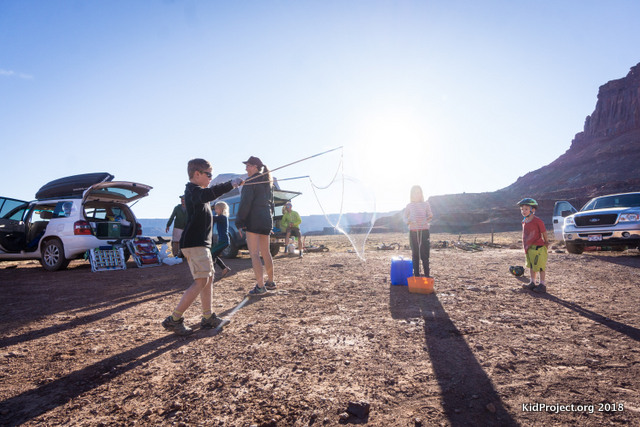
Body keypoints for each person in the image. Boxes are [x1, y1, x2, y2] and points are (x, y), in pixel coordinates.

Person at [161, 158, 240, 335]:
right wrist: (231, 184)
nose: (211, 178)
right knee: (201, 280)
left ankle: (208, 317)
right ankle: (174, 319)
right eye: (209, 174)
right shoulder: (193, 191)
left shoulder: (197, 192)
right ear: (197, 174)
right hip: (195, 243)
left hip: (200, 244)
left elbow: (208, 195)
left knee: (208, 278)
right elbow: (209, 194)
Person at [236, 155, 276, 295]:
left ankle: (260, 287)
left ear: (255, 167)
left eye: (248, 166)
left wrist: (239, 222)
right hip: (266, 219)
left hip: (254, 219)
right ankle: (270, 282)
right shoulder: (268, 182)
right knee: (266, 252)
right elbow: (271, 203)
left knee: (254, 254)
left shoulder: (250, 181)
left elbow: (245, 204)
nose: (246, 168)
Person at [518, 198, 549, 293]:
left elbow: (544, 232)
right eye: (522, 209)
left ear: (533, 210)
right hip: (529, 248)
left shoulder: (537, 221)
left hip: (538, 247)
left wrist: (546, 242)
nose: (523, 211)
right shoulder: (524, 221)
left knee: (540, 266)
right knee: (532, 266)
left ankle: (542, 284)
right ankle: (532, 282)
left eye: (526, 209)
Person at [404, 185, 433, 278]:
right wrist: (408, 221)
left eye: (418, 192)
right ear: (411, 194)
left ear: (421, 194)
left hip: (424, 231)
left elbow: (430, 215)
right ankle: (416, 276)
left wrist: (426, 219)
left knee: (425, 255)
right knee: (415, 254)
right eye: (415, 192)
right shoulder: (409, 206)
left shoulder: (426, 204)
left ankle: (427, 276)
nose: (417, 194)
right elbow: (404, 218)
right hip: (413, 232)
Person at [211, 201, 231, 278]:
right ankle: (224, 268)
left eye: (216, 209)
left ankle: (212, 272)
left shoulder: (222, 217)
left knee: (212, 254)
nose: (215, 210)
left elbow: (212, 218)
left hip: (224, 241)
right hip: (222, 241)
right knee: (214, 254)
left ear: (222, 209)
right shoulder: (220, 217)